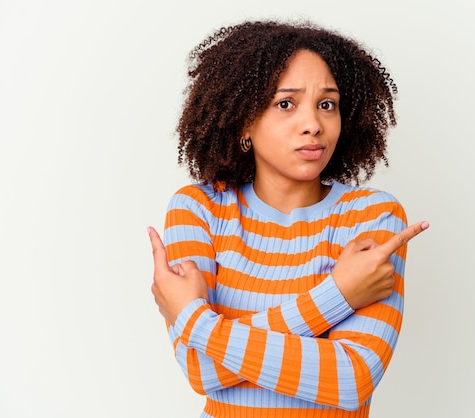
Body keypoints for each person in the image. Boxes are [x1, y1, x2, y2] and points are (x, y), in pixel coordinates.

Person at [148, 19, 429, 418]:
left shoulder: (372, 215)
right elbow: (200, 369)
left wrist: (197, 324)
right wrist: (339, 295)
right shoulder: (199, 209)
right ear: (245, 120)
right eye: (286, 103)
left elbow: (352, 380)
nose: (313, 124)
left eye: (327, 104)